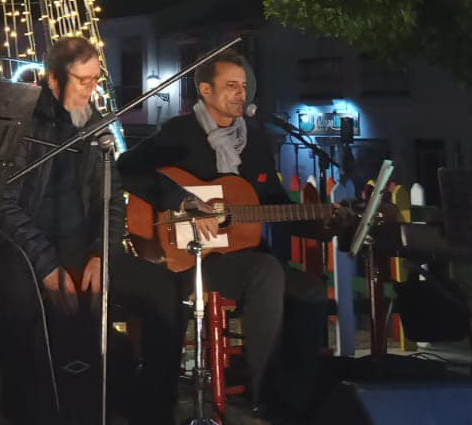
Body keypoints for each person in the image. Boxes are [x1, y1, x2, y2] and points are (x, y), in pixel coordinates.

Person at [118, 49, 336, 421]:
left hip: (244, 257)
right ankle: (265, 395)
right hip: (191, 259)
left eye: (245, 86)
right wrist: (182, 200)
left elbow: (273, 205)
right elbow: (127, 169)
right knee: (266, 271)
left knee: (311, 290)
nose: (241, 93)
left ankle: (294, 397)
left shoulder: (256, 139)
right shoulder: (179, 133)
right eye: (231, 86)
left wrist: (323, 222)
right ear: (205, 89)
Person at [0, 36, 184, 425]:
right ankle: (27, 411)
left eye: (95, 79)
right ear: (53, 81)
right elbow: (2, 203)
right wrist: (47, 268)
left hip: (85, 246)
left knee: (164, 289)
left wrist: (101, 253)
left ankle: (151, 406)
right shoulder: (22, 122)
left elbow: (112, 198)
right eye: (82, 81)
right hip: (25, 250)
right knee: (20, 300)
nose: (91, 89)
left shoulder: (94, 124)